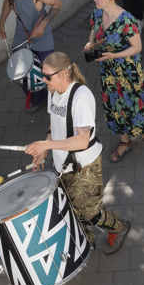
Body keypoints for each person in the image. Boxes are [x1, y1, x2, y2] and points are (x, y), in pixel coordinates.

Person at [24, 52, 131, 254]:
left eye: (47, 75)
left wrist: (46, 146)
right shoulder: (53, 90)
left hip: (84, 167)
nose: (43, 79)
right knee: (72, 208)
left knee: (90, 213)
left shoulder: (81, 97)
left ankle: (119, 226)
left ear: (64, 73)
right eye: (42, 75)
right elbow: (54, 122)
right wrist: (45, 148)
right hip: (62, 164)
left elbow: (82, 140)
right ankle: (86, 241)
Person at [84, 0, 144, 163]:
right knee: (115, 105)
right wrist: (90, 42)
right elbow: (94, 30)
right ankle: (124, 142)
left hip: (128, 70)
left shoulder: (127, 20)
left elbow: (137, 47)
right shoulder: (97, 13)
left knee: (135, 102)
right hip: (109, 71)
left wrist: (114, 56)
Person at [0, 0, 62, 110]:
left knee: (48, 72)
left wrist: (43, 24)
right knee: (19, 72)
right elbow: (7, 3)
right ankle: (39, 99)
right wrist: (1, 24)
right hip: (22, 36)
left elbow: (57, 3)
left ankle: (59, 101)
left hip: (41, 38)